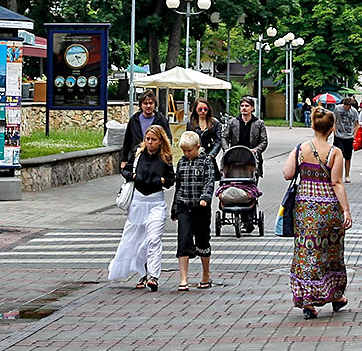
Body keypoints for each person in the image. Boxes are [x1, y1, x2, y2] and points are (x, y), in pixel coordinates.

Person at [283, 107, 352, 319]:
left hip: (304, 209)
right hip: (328, 209)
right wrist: (346, 210)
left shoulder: (300, 148)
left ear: (312, 125)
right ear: (332, 129)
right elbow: (337, 182)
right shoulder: (335, 153)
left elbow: (288, 174)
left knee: (306, 252)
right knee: (330, 252)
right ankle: (336, 295)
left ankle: (307, 301)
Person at [109, 125, 175, 290]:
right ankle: (142, 274)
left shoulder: (165, 158)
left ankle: (153, 275)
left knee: (153, 238)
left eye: (154, 140)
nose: (150, 142)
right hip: (138, 202)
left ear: (160, 141)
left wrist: (162, 181)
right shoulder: (138, 154)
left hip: (156, 202)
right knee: (134, 240)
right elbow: (125, 171)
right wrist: (132, 176)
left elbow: (171, 179)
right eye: (148, 139)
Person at [171, 130, 218, 291]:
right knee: (183, 240)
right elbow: (178, 186)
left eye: (189, 150)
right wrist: (175, 208)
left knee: (202, 241)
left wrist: (205, 198)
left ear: (198, 147)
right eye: (183, 151)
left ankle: (205, 274)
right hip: (184, 206)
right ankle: (183, 278)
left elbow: (209, 182)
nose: (186, 154)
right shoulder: (182, 163)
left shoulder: (206, 162)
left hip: (200, 208)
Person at [120, 91, 171, 174]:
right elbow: (127, 140)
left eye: (151, 103)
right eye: (145, 103)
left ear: (154, 104)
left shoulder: (161, 119)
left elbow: (168, 139)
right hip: (136, 156)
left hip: (155, 157)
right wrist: (124, 159)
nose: (148, 106)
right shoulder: (134, 119)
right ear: (141, 105)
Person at [221, 96, 269, 179]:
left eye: (247, 106)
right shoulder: (233, 122)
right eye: (242, 106)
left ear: (252, 108)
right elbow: (224, 137)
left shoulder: (259, 123)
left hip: (251, 158)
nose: (244, 108)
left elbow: (264, 141)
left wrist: (255, 150)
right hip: (234, 158)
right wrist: (227, 150)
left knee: (251, 184)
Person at [332, 96, 359, 169]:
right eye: (346, 107)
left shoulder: (354, 111)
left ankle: (347, 174)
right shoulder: (337, 109)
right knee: (338, 155)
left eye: (349, 107)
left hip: (349, 136)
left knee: (348, 157)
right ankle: (338, 172)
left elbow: (357, 124)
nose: (347, 109)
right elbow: (334, 120)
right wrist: (334, 131)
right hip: (339, 135)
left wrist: (354, 136)